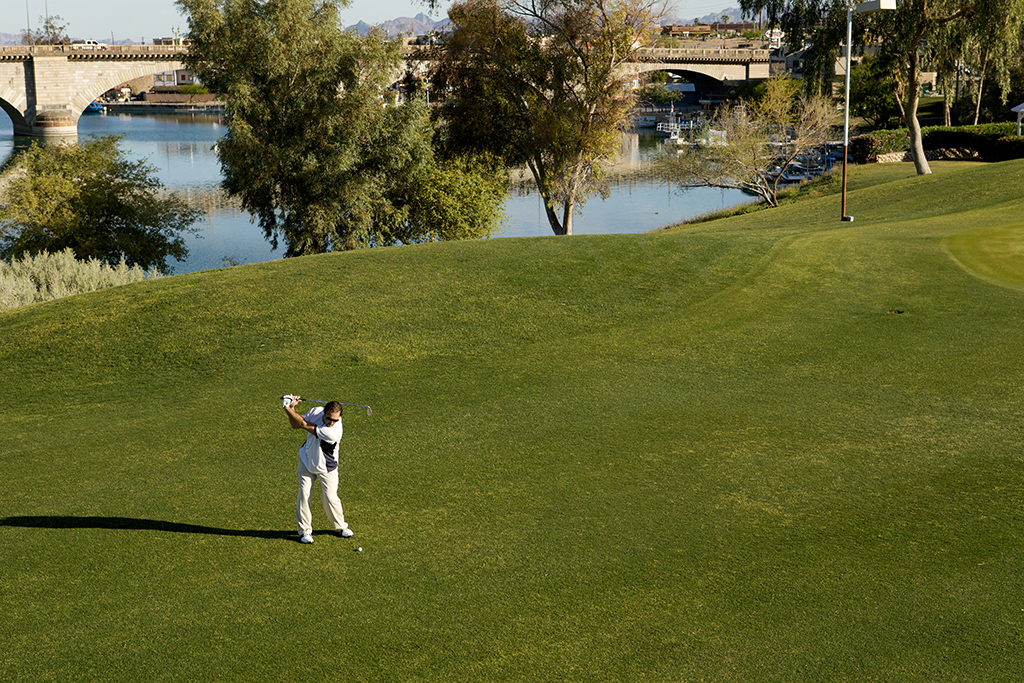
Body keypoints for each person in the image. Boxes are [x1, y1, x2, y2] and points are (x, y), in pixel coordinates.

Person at [282, 395, 354, 544]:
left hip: (327, 467)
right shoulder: (316, 412)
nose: (331, 422)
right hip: (307, 461)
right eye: (329, 419)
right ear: (324, 413)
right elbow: (295, 425)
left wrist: (287, 408)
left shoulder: (334, 431)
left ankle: (340, 527)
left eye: (335, 419)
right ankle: (305, 532)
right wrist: (292, 409)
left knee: (330, 497)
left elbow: (302, 423)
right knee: (304, 494)